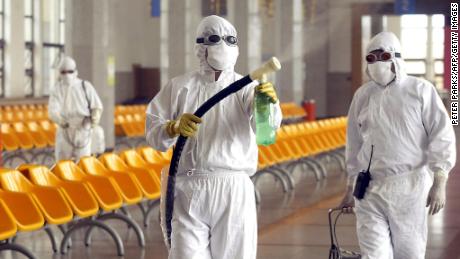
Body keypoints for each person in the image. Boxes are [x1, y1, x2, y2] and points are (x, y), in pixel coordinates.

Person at [146, 15, 282, 259]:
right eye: (214, 39)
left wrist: (267, 104)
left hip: (232, 187)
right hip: (188, 188)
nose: (223, 46)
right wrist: (172, 128)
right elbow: (153, 132)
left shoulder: (247, 87)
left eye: (230, 40)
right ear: (200, 46)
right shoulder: (180, 86)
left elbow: (266, 134)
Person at [337, 31, 456, 259]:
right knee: (374, 255)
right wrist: (350, 186)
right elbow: (354, 143)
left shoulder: (420, 90)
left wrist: (440, 179)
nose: (376, 63)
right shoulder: (362, 95)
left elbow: (442, 134)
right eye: (370, 59)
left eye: (382, 56)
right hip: (369, 189)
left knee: (409, 254)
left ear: (395, 58)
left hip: (409, 187)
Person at [48, 56, 103, 161]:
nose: (67, 74)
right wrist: (60, 120)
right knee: (62, 163)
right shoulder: (57, 89)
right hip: (65, 128)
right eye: (64, 72)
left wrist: (95, 117)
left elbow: (96, 105)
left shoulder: (85, 86)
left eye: (70, 71)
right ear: (60, 72)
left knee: (84, 162)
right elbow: (52, 110)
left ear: (75, 71)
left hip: (83, 128)